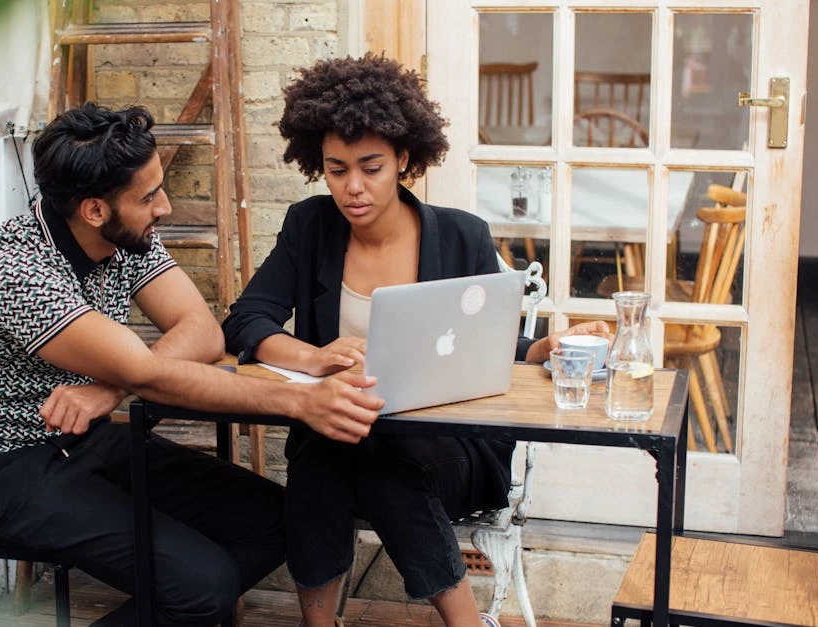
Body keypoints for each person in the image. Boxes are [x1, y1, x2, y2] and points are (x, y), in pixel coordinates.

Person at [0, 103, 385, 627]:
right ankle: (194, 599)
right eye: (149, 196)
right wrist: (302, 400)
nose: (165, 207)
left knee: (279, 521)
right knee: (201, 587)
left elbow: (201, 329)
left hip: (87, 443)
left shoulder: (126, 236)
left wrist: (109, 388)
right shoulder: (14, 270)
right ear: (94, 210)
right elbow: (148, 376)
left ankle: (191, 602)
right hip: (3, 473)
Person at [222, 54, 611, 627]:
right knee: (332, 446)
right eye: (336, 169)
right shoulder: (309, 227)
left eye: (371, 167)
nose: (352, 187)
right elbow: (247, 320)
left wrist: (545, 348)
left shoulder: (461, 237)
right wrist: (315, 357)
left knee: (376, 457)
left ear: (405, 158)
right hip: (344, 432)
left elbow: (494, 348)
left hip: (446, 448)